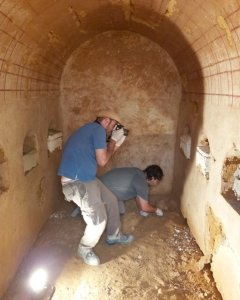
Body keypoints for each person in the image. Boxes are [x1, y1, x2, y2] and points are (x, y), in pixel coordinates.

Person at [58, 111, 134, 266]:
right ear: (106, 120)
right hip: (77, 182)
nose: (113, 129)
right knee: (98, 220)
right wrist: (113, 142)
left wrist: (115, 144)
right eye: (113, 125)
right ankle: (84, 248)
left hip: (87, 179)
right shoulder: (97, 130)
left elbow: (101, 155)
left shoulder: (89, 130)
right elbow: (103, 161)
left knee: (111, 200)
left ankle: (114, 235)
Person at [99, 165, 164, 217]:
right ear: (153, 178)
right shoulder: (142, 183)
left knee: (122, 210)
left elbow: (138, 196)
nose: (157, 183)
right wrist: (156, 210)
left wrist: (141, 210)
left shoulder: (138, 172)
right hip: (102, 191)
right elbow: (145, 207)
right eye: (157, 181)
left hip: (101, 183)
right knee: (115, 215)